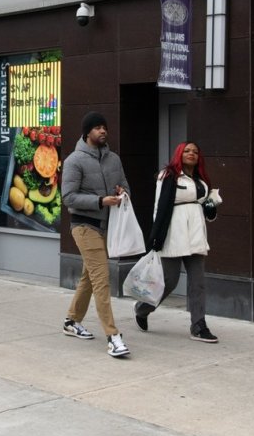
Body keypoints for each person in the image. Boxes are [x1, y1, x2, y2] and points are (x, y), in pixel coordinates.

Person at [62, 111, 132, 358]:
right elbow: (68, 197)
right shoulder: (74, 160)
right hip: (84, 226)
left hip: (106, 227)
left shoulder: (113, 159)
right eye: (98, 128)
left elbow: (125, 185)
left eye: (105, 127)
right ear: (87, 132)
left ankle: (71, 321)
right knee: (102, 279)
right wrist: (100, 200)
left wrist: (122, 192)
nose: (103, 131)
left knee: (90, 278)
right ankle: (113, 337)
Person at [135, 141, 221, 343]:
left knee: (198, 282)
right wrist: (155, 237)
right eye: (187, 151)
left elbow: (205, 209)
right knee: (169, 280)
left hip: (196, 233)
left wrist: (211, 206)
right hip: (174, 232)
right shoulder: (168, 175)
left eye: (195, 152)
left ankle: (198, 325)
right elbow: (160, 206)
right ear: (179, 154)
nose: (191, 154)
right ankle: (142, 308)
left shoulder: (201, 180)